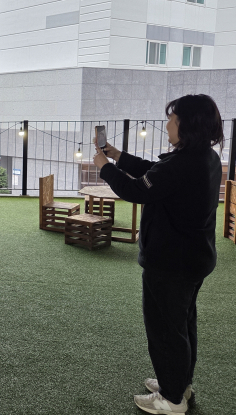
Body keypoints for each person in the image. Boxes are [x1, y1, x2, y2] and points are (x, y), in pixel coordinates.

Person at [93, 94, 223, 415]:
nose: (167, 125)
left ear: (187, 125)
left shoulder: (181, 164)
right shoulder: (205, 157)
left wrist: (105, 168)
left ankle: (172, 399)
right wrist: (119, 157)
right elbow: (154, 172)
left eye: (172, 120)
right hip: (194, 258)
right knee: (182, 325)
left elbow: (137, 190)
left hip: (170, 263)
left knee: (165, 330)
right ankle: (179, 384)